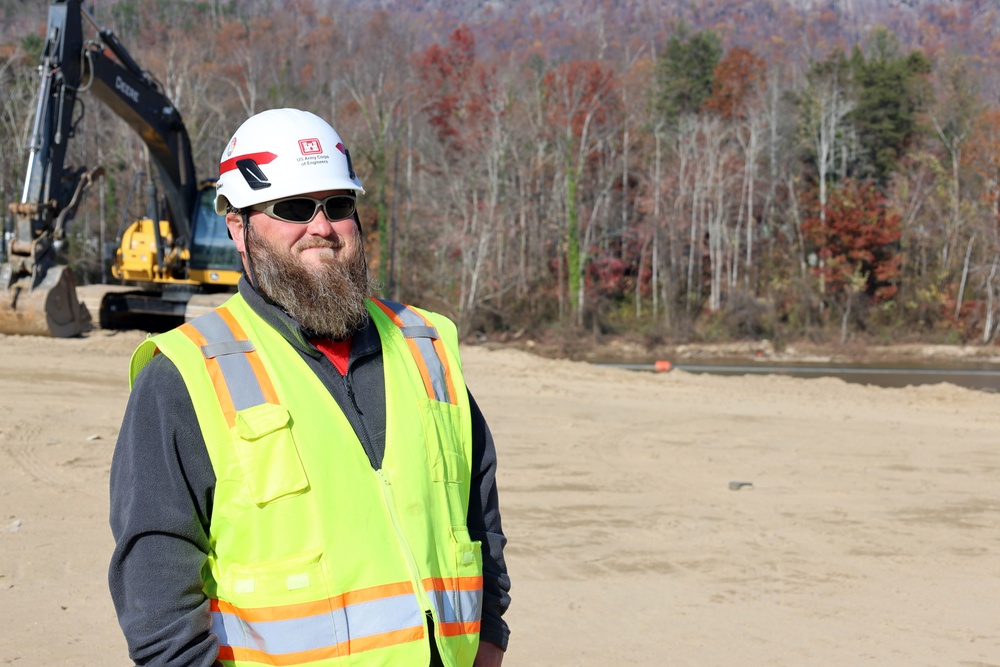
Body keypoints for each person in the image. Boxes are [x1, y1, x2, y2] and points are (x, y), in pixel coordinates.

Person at [109, 108, 510, 667]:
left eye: (338, 206)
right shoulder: (184, 373)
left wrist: (489, 637)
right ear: (238, 228)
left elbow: (477, 513)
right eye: (294, 208)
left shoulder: (427, 346)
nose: (321, 227)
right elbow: (155, 576)